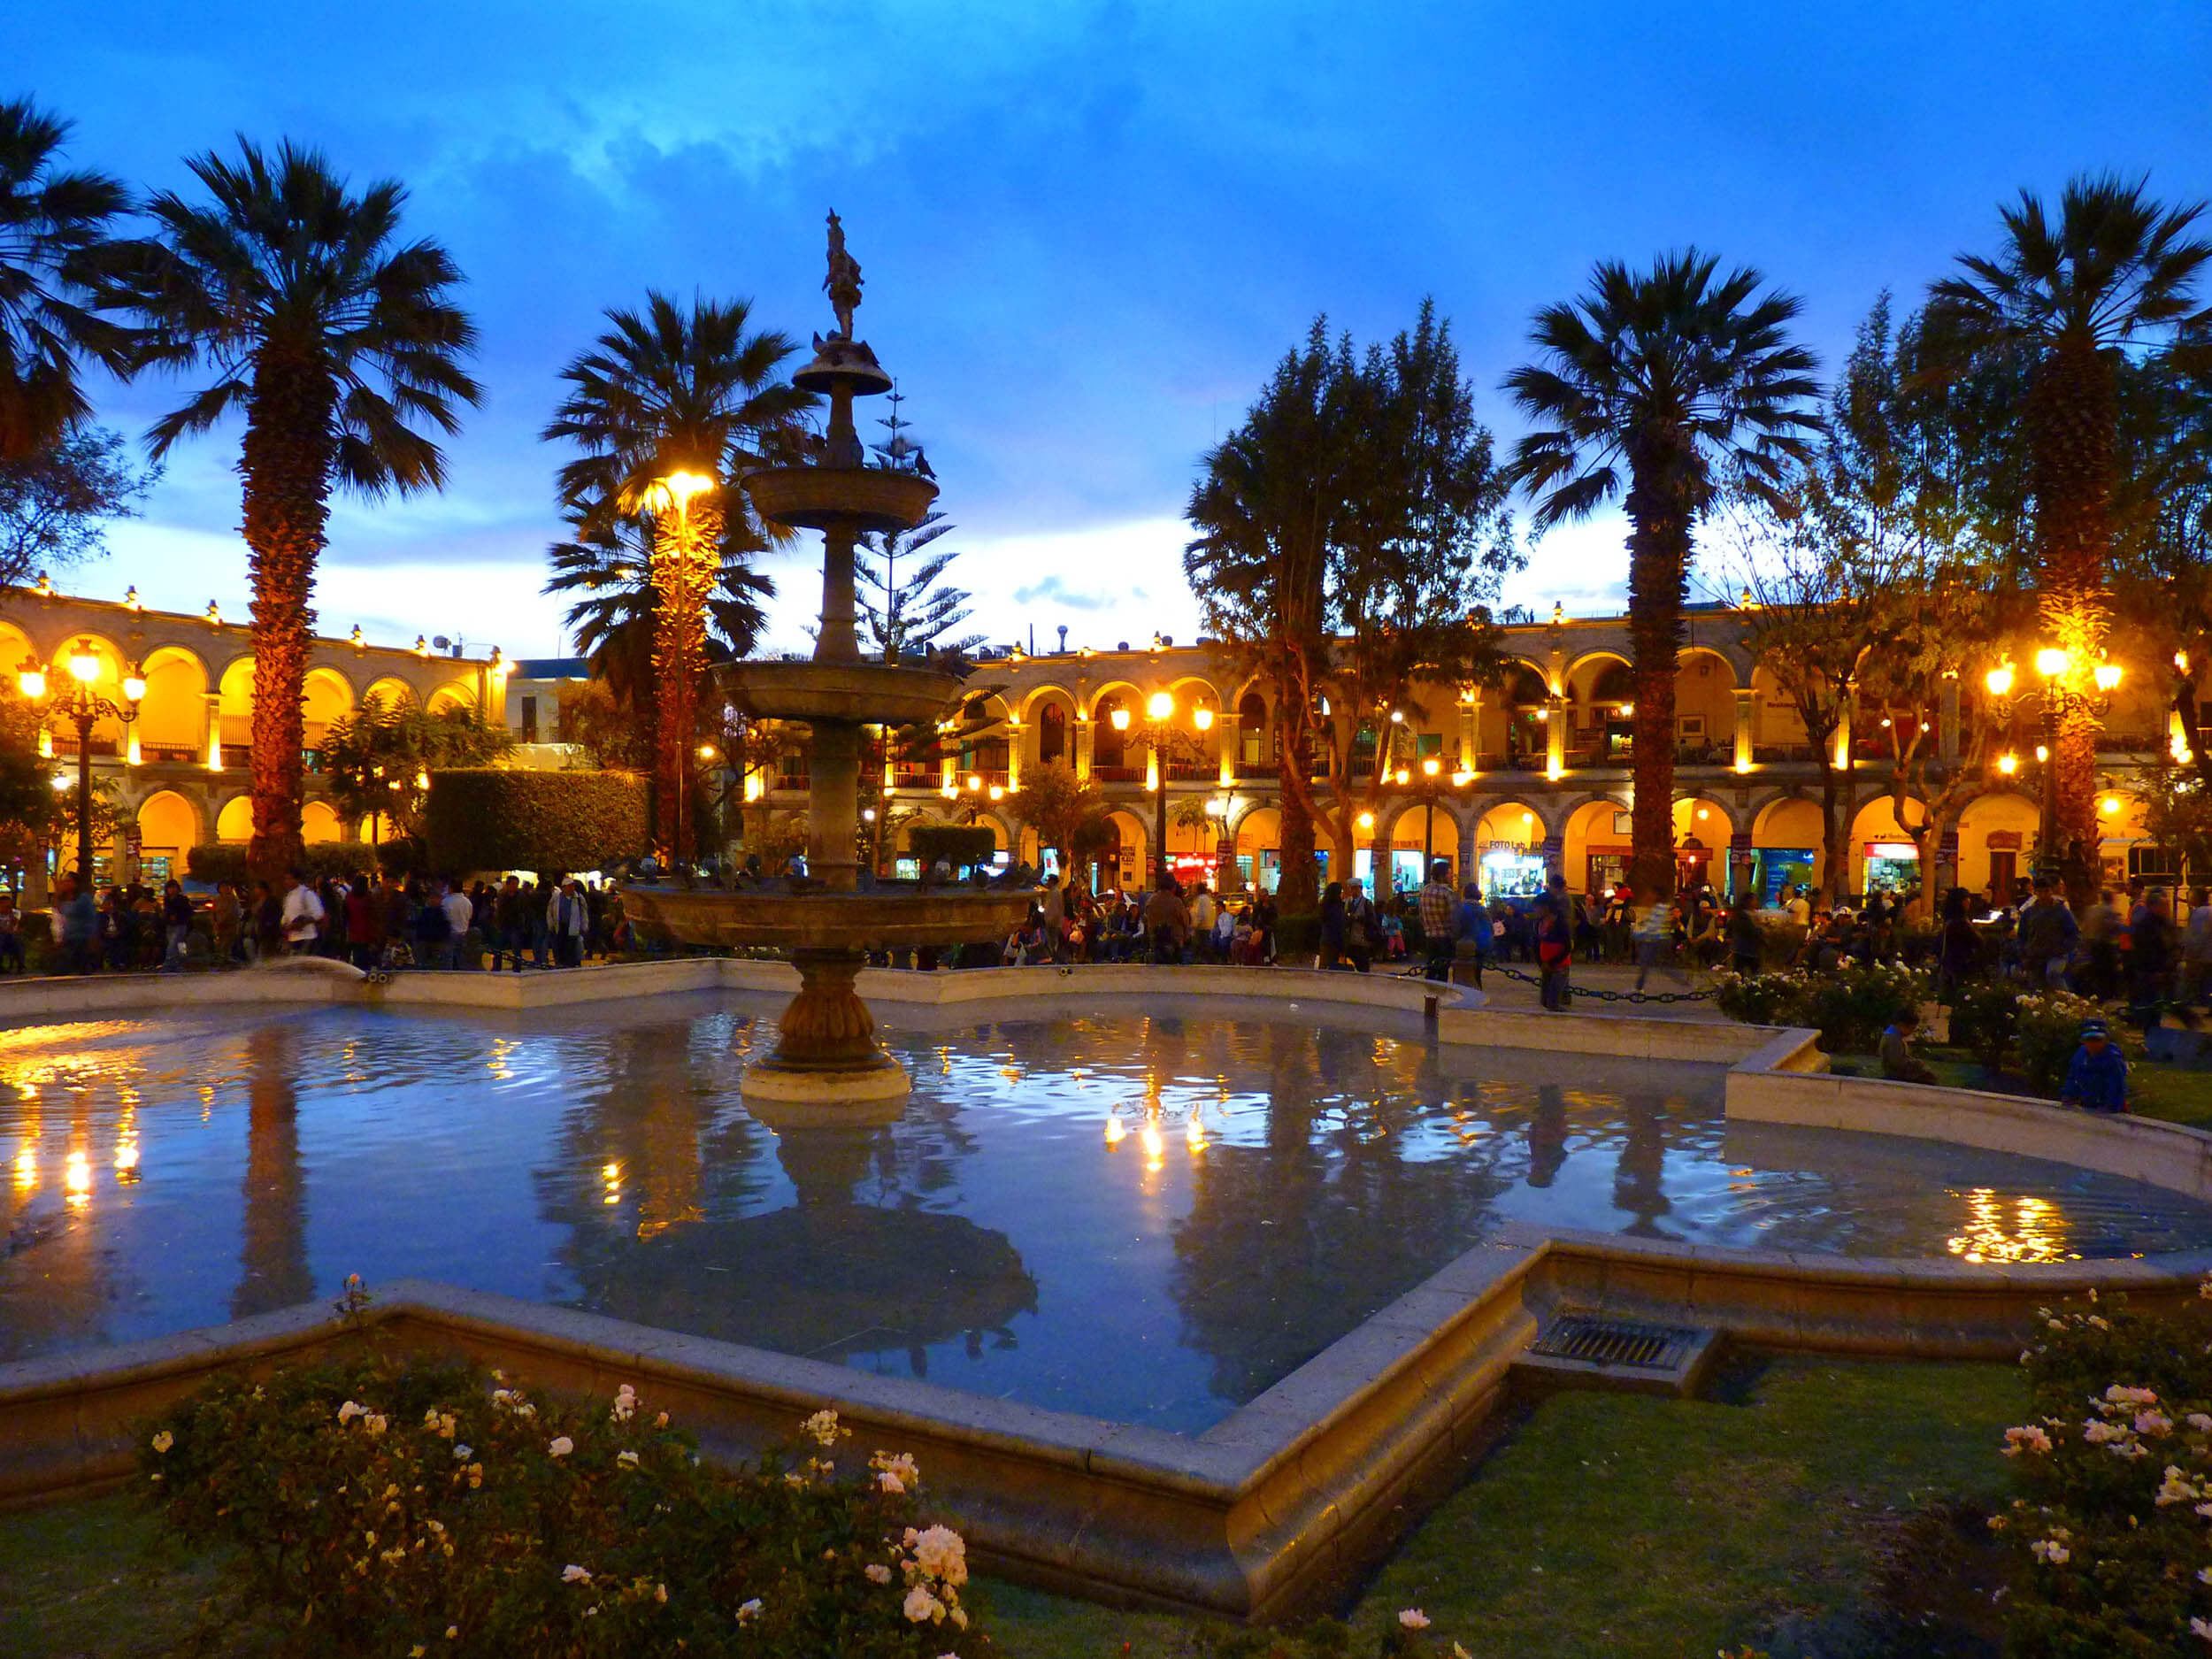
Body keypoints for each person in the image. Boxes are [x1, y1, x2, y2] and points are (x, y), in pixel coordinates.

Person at [2014, 872, 2078, 988]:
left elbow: (2073, 932)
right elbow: (2022, 935)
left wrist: (2064, 948)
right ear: (2035, 892)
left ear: (2051, 891)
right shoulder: (2029, 912)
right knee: (2036, 986)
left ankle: (2066, 999)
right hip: (2035, 955)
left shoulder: (2061, 911)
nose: (2043, 895)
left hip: (2056, 953)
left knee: (2053, 975)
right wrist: (2023, 954)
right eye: (2040, 892)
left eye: (2046, 891)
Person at [2061, 1018, 2129, 1114]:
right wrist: (2069, 1094)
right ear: (2083, 1040)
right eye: (2088, 1039)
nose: (2093, 1044)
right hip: (2088, 1104)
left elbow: (2116, 1085)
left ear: (2105, 1039)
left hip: (2109, 1108)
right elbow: (2073, 1076)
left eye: (2098, 1039)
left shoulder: (2112, 1058)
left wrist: (2111, 1106)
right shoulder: (2080, 1055)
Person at [1632, 893, 1685, 992]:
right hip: (1657, 939)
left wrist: (1637, 934)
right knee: (1650, 964)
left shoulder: (1659, 909)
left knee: (1650, 963)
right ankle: (1639, 986)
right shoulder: (1660, 909)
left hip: (1656, 940)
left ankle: (1684, 979)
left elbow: (1652, 926)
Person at [1417, 859, 1458, 983]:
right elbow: (1454, 917)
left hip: (1430, 936)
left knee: (1431, 968)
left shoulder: (1425, 891)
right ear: (1442, 875)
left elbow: (1421, 915)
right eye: (1449, 873)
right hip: (1445, 937)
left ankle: (1429, 997)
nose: (1451, 876)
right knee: (1442, 971)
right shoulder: (1447, 893)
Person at [1879, 1006, 1938, 1084]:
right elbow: (1897, 1062)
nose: (1912, 1032)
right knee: (1929, 1078)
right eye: (1911, 1029)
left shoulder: (1894, 1036)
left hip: (1898, 1072)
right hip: (1896, 1075)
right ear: (1901, 1025)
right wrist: (1916, 1064)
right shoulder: (1892, 1039)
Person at [546, 877, 590, 968]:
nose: (571, 888)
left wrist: (584, 925)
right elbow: (550, 911)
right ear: (563, 887)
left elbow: (584, 912)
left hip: (574, 926)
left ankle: (573, 963)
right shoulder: (556, 897)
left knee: (573, 946)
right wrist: (551, 924)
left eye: (572, 886)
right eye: (569, 886)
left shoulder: (578, 897)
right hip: (561, 926)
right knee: (560, 946)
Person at [280, 869, 325, 956]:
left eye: (290, 879)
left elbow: (318, 914)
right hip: (293, 938)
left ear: (297, 880)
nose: (287, 882)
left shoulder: (307, 894)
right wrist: (284, 925)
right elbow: (286, 914)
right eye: (285, 879)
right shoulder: (288, 896)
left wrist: (302, 922)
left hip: (306, 938)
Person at [442, 877, 475, 970]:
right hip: (463, 932)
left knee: (448, 958)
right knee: (461, 958)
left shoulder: (446, 902)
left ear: (451, 888)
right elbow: (470, 916)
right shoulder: (467, 902)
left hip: (451, 933)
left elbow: (444, 917)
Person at [1726, 891, 1763, 977]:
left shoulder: (1752, 914)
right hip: (1743, 948)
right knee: (1740, 974)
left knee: (1751, 973)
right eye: (1754, 900)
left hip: (1751, 949)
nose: (1756, 902)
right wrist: (1761, 931)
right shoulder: (1741, 916)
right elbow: (1749, 930)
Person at [160, 879, 194, 970]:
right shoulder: (167, 900)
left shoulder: (182, 899)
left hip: (180, 924)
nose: (172, 890)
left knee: (174, 943)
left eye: (174, 887)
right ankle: (181, 961)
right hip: (170, 925)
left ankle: (169, 962)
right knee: (180, 944)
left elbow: (189, 912)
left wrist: (178, 916)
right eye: (170, 888)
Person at [1319, 880, 1348, 971]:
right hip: (1334, 942)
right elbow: (1339, 927)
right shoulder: (1337, 908)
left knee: (1325, 967)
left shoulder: (1325, 906)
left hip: (1325, 940)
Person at [0, 891, 20, 974]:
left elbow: (15, 925)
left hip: (9, 936)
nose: (8, 906)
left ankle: (20, 965)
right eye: (5, 905)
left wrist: (10, 914)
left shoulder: (14, 913)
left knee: (16, 941)